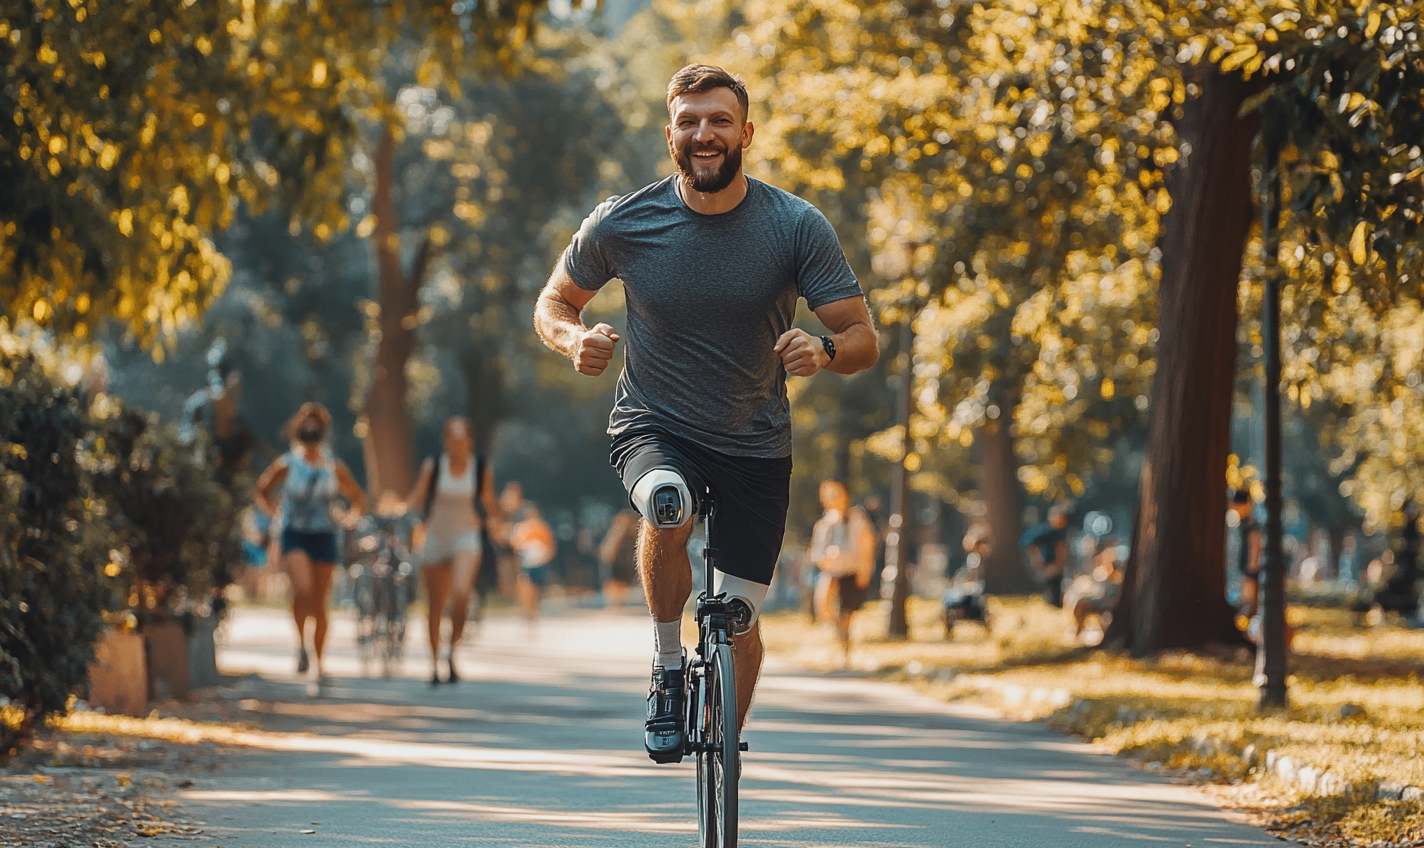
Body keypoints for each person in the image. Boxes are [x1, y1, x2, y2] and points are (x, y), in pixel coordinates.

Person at [533, 63, 878, 764]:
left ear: (745, 132)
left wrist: (823, 347)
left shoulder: (795, 226)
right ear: (670, 136)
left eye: (719, 120)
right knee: (666, 501)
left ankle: (724, 748)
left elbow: (864, 338)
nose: (704, 134)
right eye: (689, 122)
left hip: (756, 441)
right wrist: (576, 338)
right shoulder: (625, 220)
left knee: (740, 619)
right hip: (655, 426)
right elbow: (553, 302)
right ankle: (665, 667)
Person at [254, 402, 366, 693]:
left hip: (325, 534)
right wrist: (273, 515)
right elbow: (262, 489)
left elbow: (357, 497)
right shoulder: (288, 464)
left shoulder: (333, 466)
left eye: (316, 428)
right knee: (302, 589)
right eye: (306, 427)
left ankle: (319, 665)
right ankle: (301, 642)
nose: (311, 432)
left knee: (320, 602)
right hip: (294, 534)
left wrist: (350, 519)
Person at [407, 416, 498, 686]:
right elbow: (417, 499)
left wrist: (497, 519)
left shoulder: (480, 468)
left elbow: (488, 501)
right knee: (434, 605)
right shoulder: (433, 466)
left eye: (462, 437)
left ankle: (451, 650)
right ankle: (435, 663)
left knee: (460, 595)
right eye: (452, 437)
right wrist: (399, 510)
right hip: (436, 536)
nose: (457, 443)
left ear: (469, 440)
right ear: (446, 440)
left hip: (466, 536)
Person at [808, 481, 877, 667]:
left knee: (846, 614)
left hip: (851, 571)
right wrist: (824, 558)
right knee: (824, 607)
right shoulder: (824, 523)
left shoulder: (857, 518)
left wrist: (865, 572)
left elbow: (867, 548)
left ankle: (844, 650)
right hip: (831, 572)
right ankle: (840, 644)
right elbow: (816, 552)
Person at [512, 503, 556, 625]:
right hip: (527, 562)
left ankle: (534, 609)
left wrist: (547, 556)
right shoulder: (522, 528)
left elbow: (550, 544)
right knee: (526, 585)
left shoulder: (542, 527)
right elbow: (516, 545)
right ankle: (527, 611)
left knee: (537, 587)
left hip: (540, 562)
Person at [1022, 505, 1071, 608]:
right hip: (1048, 565)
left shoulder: (1061, 532)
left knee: (1058, 589)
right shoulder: (1045, 531)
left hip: (1058, 567)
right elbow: (1027, 543)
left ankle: (1056, 605)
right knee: (1050, 590)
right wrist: (1037, 559)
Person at [1230, 488, 1262, 618]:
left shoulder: (1251, 525)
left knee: (1250, 602)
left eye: (1236, 506)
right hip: (1245, 568)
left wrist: (1251, 567)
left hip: (1251, 569)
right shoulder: (1242, 523)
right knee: (1247, 601)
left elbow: (1255, 545)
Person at [599, 509, 641, 609]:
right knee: (616, 592)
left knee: (617, 593)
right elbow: (609, 552)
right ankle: (615, 606)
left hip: (618, 565)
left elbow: (607, 552)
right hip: (616, 565)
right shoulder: (619, 534)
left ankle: (616, 606)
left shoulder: (620, 534)